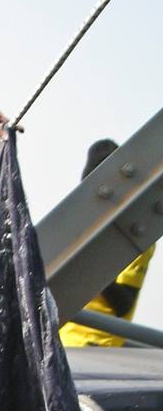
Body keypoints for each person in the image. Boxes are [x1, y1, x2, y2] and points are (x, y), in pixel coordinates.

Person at [60, 138, 156, 348]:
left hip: (97, 345)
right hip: (61, 339)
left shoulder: (133, 235)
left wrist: (86, 263)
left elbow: (123, 304)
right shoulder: (77, 228)